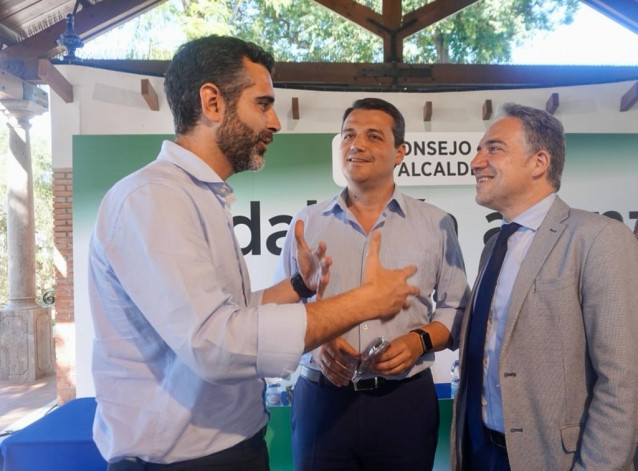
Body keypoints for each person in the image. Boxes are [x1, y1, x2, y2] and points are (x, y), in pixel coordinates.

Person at [88, 36, 421, 470]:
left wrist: (299, 285)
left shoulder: (200, 196)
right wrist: (366, 301)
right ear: (212, 103)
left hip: (230, 448)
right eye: (263, 104)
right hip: (182, 462)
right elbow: (217, 344)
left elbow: (229, 314)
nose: (275, 121)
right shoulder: (154, 198)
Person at [275, 98, 470, 471]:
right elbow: (280, 309)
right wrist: (314, 344)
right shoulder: (307, 222)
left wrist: (419, 341)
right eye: (348, 135)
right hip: (321, 399)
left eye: (372, 136)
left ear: (400, 152)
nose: (356, 144)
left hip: (404, 402)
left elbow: (457, 308)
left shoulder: (436, 223)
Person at [451, 103, 638, 471]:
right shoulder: (495, 245)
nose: (475, 161)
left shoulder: (599, 239)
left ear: (539, 162)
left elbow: (623, 380)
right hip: (479, 451)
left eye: (493, 148)